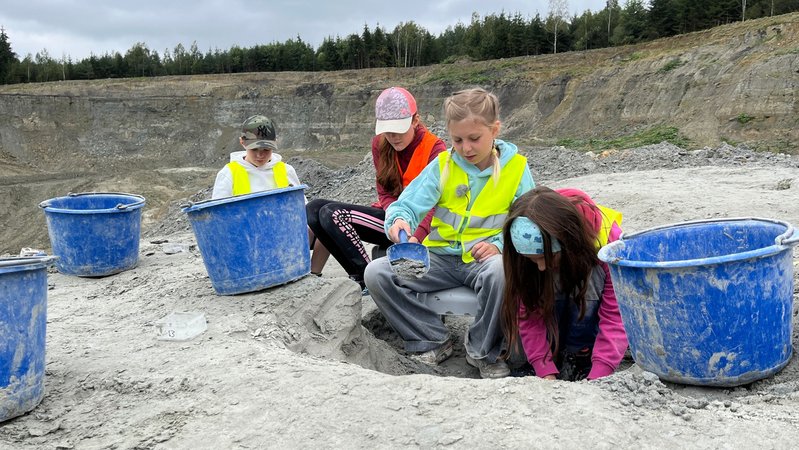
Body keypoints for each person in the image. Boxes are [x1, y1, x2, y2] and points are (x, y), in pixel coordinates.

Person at [364, 88, 535, 379]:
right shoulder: (443, 165)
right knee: (377, 273)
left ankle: (482, 350)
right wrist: (398, 222)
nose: (465, 148)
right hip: (439, 258)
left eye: (474, 139)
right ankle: (430, 338)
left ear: (495, 130)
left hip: (483, 261)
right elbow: (406, 205)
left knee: (501, 273)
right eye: (457, 140)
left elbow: (529, 221)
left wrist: (498, 245)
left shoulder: (516, 169)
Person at [306, 87, 446, 293]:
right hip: (393, 220)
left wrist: (415, 237)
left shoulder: (434, 149)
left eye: (399, 130)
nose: (393, 137)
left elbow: (434, 203)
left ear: (415, 121)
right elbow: (385, 193)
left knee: (334, 214)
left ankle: (366, 277)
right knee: (314, 208)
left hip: (420, 224)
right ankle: (359, 274)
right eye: (388, 131)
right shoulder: (380, 144)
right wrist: (394, 218)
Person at [500, 186, 628, 381]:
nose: (541, 267)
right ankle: (554, 354)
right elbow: (527, 314)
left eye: (544, 258)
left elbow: (615, 315)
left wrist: (599, 375)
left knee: (591, 276)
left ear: (567, 243)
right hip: (553, 323)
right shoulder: (527, 228)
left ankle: (580, 355)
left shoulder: (609, 241)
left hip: (589, 321)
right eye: (532, 260)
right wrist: (544, 370)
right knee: (537, 277)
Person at [212, 115, 329, 268]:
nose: (260, 155)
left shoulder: (285, 170)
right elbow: (217, 218)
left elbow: (303, 208)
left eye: (266, 149)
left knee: (327, 222)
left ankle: (313, 272)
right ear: (242, 142)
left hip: (286, 237)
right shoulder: (229, 173)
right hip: (248, 241)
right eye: (254, 149)